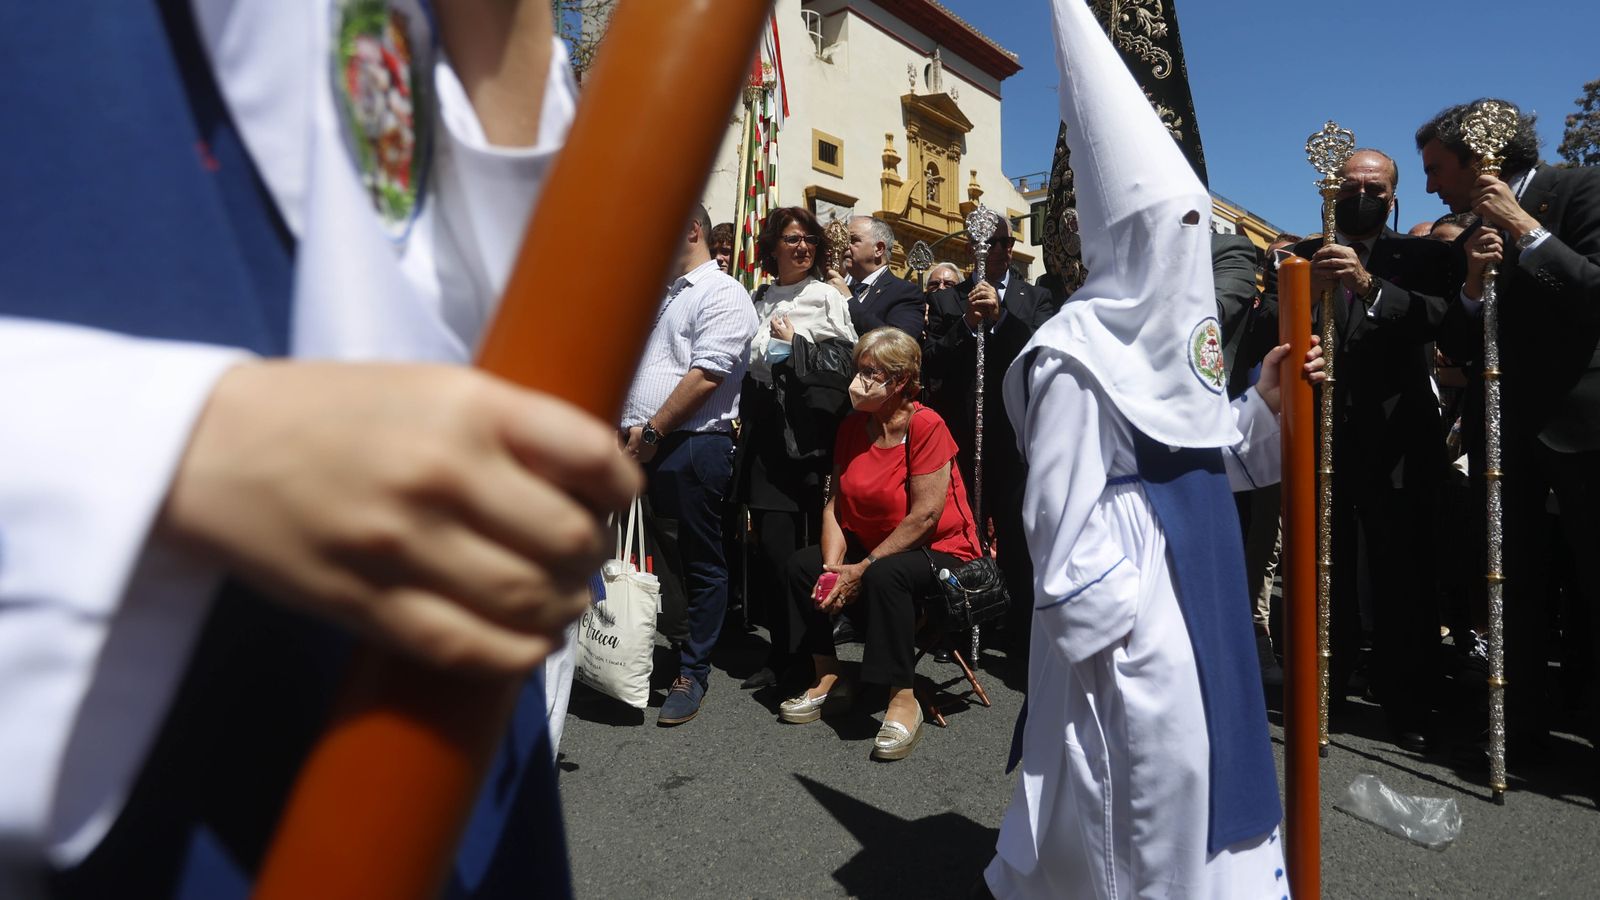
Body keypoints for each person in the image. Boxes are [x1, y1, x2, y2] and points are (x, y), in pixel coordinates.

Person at [1, 2, 636, 896]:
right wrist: (176, 446)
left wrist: (510, 55)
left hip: (459, 751)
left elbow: (496, 316)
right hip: (145, 764)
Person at [983, 1, 1323, 894]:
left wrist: (1265, 404)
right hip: (1137, 618)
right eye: (1180, 229)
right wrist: (1128, 625)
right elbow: (1056, 521)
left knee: (1210, 773)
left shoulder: (1177, 341)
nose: (1195, 250)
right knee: (1145, 789)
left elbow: (1210, 460)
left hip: (1201, 583)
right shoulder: (1071, 355)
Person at [1416, 98, 1600, 755]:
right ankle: (1517, 727)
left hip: (1584, 427)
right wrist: (1471, 284)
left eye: (1437, 169)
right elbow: (1459, 343)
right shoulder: (1470, 234)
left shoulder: (1578, 191)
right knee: (1510, 583)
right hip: (1504, 434)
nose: (1431, 187)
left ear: (1477, 159)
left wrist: (1527, 229)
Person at [1290, 148, 1455, 750]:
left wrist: (1368, 286)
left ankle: (1407, 702)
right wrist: (1305, 296)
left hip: (1397, 439)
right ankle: (1320, 691)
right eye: (1350, 186)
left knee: (1402, 572)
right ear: (1330, 191)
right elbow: (1271, 332)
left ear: (1392, 197)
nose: (1361, 196)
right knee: (1321, 567)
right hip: (1321, 437)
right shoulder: (1301, 256)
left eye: (1375, 188)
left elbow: (1440, 320)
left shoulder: (1424, 255)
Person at [778, 328, 981, 761]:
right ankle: (828, 675)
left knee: (888, 573)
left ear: (902, 379)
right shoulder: (853, 426)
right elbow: (835, 505)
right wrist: (833, 569)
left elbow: (925, 517)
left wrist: (863, 566)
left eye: (872, 373)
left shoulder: (926, 425)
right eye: (860, 369)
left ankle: (902, 698)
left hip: (943, 550)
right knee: (802, 566)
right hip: (874, 546)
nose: (860, 381)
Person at [621, 206, 758, 726]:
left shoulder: (722, 292)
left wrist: (654, 431)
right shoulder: (667, 296)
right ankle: (637, 649)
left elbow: (706, 374)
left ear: (692, 231)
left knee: (698, 560)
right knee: (645, 559)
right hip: (642, 445)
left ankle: (692, 670)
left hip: (690, 445)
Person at [734, 206, 857, 690]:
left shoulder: (825, 295)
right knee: (774, 551)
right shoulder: (758, 297)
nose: (802, 246)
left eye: (809, 239)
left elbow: (847, 362)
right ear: (772, 247)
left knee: (810, 554)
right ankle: (782, 651)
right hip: (765, 435)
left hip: (809, 437)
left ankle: (815, 656)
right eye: (792, 239)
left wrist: (794, 343)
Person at [923, 225, 1059, 654]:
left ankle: (1019, 630)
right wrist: (966, 323)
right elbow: (932, 361)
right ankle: (963, 622)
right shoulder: (947, 299)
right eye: (988, 243)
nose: (998, 250)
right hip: (962, 436)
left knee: (1017, 534)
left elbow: (1043, 354)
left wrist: (1002, 320)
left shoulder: (1034, 298)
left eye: (1004, 242)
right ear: (971, 248)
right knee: (962, 532)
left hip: (1014, 437)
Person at [830, 216, 926, 339]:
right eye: (844, 240)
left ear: (879, 249)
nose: (844, 246)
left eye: (853, 240)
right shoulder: (841, 287)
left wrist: (848, 300)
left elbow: (898, 342)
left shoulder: (906, 293)